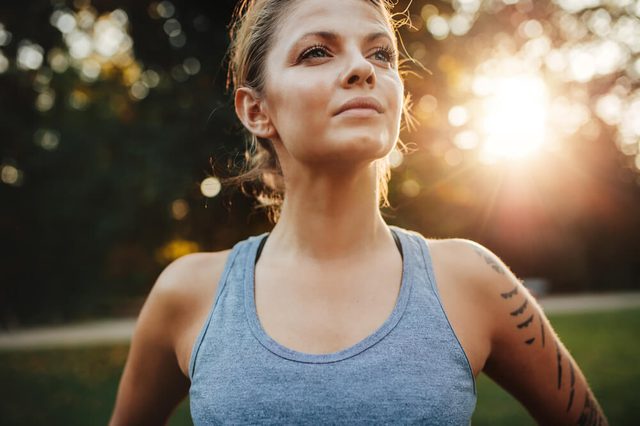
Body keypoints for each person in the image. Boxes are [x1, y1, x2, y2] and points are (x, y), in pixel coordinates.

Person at [110, 0, 609, 424]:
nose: (363, 68)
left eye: (381, 53)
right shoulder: (188, 294)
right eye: (317, 52)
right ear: (256, 110)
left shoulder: (473, 279)